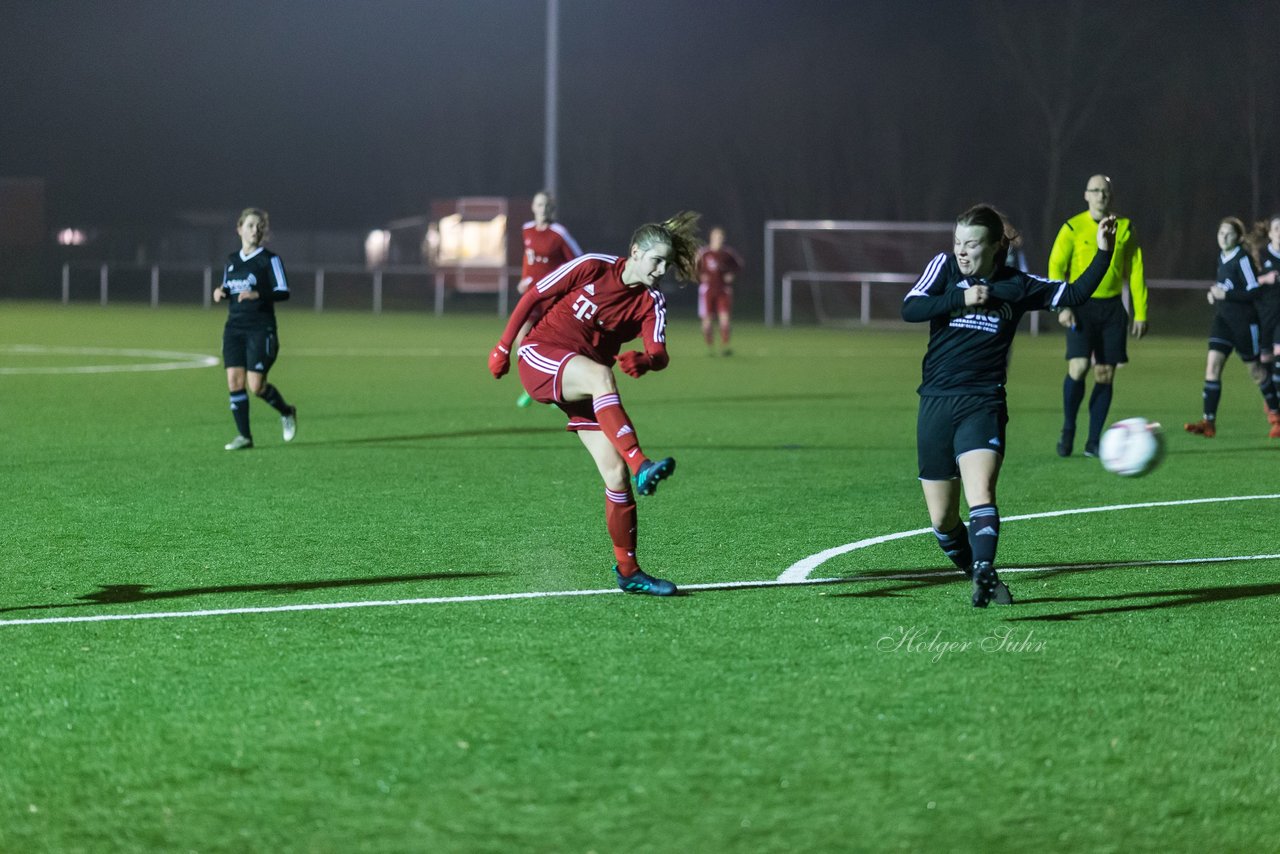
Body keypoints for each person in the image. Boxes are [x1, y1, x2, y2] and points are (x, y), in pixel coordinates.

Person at [902, 204, 1117, 607]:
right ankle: (980, 573)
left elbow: (1073, 293)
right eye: (957, 242)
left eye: (972, 244)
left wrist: (1104, 252)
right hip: (934, 403)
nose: (962, 251)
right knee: (942, 521)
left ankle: (983, 571)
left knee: (980, 491)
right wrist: (960, 298)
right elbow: (910, 308)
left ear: (996, 245)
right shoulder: (944, 269)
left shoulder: (1016, 285)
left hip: (982, 402)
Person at [488, 212, 701, 596]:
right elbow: (535, 294)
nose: (661, 270)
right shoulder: (592, 267)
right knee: (602, 377)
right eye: (656, 260)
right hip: (541, 355)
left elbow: (659, 352)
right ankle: (643, 464)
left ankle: (629, 571)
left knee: (615, 476)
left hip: (584, 382)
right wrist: (504, 346)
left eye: (666, 264)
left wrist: (648, 361)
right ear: (635, 252)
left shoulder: (652, 302)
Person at [1047, 175, 1148, 457]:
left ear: (1111, 196)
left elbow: (1136, 271)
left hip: (1112, 308)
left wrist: (1141, 312)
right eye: (1095, 191)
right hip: (1080, 306)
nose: (1101, 196)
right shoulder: (1072, 227)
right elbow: (1056, 266)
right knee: (1078, 367)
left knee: (1105, 374)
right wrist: (1062, 305)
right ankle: (1068, 429)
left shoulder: (1125, 228)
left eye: (1105, 191)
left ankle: (1093, 441)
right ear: (1086, 195)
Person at [212, 207, 297, 451]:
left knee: (256, 386)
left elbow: (283, 291)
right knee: (234, 382)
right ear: (239, 228)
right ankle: (244, 437)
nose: (255, 230)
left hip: (261, 329)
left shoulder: (269, 259)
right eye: (250, 225)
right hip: (234, 328)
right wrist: (221, 291)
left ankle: (287, 411)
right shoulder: (232, 260)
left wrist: (257, 294)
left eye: (260, 227)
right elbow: (229, 286)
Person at [1184, 217, 1274, 438]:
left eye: (1228, 234)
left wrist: (1226, 294)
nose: (1223, 237)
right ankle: (1208, 422)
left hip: (1244, 323)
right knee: (1212, 366)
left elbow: (1254, 290)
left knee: (1256, 372)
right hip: (1223, 321)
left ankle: (1276, 414)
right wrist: (1215, 294)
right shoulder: (1221, 256)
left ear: (1239, 238)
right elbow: (1226, 287)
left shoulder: (1242, 258)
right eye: (1220, 233)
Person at [513, 191, 582, 408]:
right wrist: (525, 278)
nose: (542, 209)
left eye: (546, 205)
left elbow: (578, 260)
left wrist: (570, 287)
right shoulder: (527, 230)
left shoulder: (559, 233)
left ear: (551, 209)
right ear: (533, 207)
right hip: (533, 293)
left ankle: (558, 386)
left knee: (555, 343)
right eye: (538, 204)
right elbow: (528, 256)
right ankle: (531, 384)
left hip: (553, 296)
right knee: (521, 337)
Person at [1247, 214, 1280, 438]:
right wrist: (1265, 279)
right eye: (1277, 228)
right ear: (1269, 233)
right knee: (1264, 361)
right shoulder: (1260, 256)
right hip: (1262, 316)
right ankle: (1271, 402)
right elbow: (1247, 283)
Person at [695, 226, 743, 355]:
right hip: (707, 290)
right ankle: (709, 346)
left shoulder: (728, 253)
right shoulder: (704, 253)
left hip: (723, 290)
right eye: (716, 237)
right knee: (707, 322)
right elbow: (694, 267)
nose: (719, 240)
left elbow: (738, 266)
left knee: (725, 320)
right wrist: (699, 275)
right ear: (711, 238)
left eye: (721, 237)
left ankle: (725, 346)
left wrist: (731, 275)